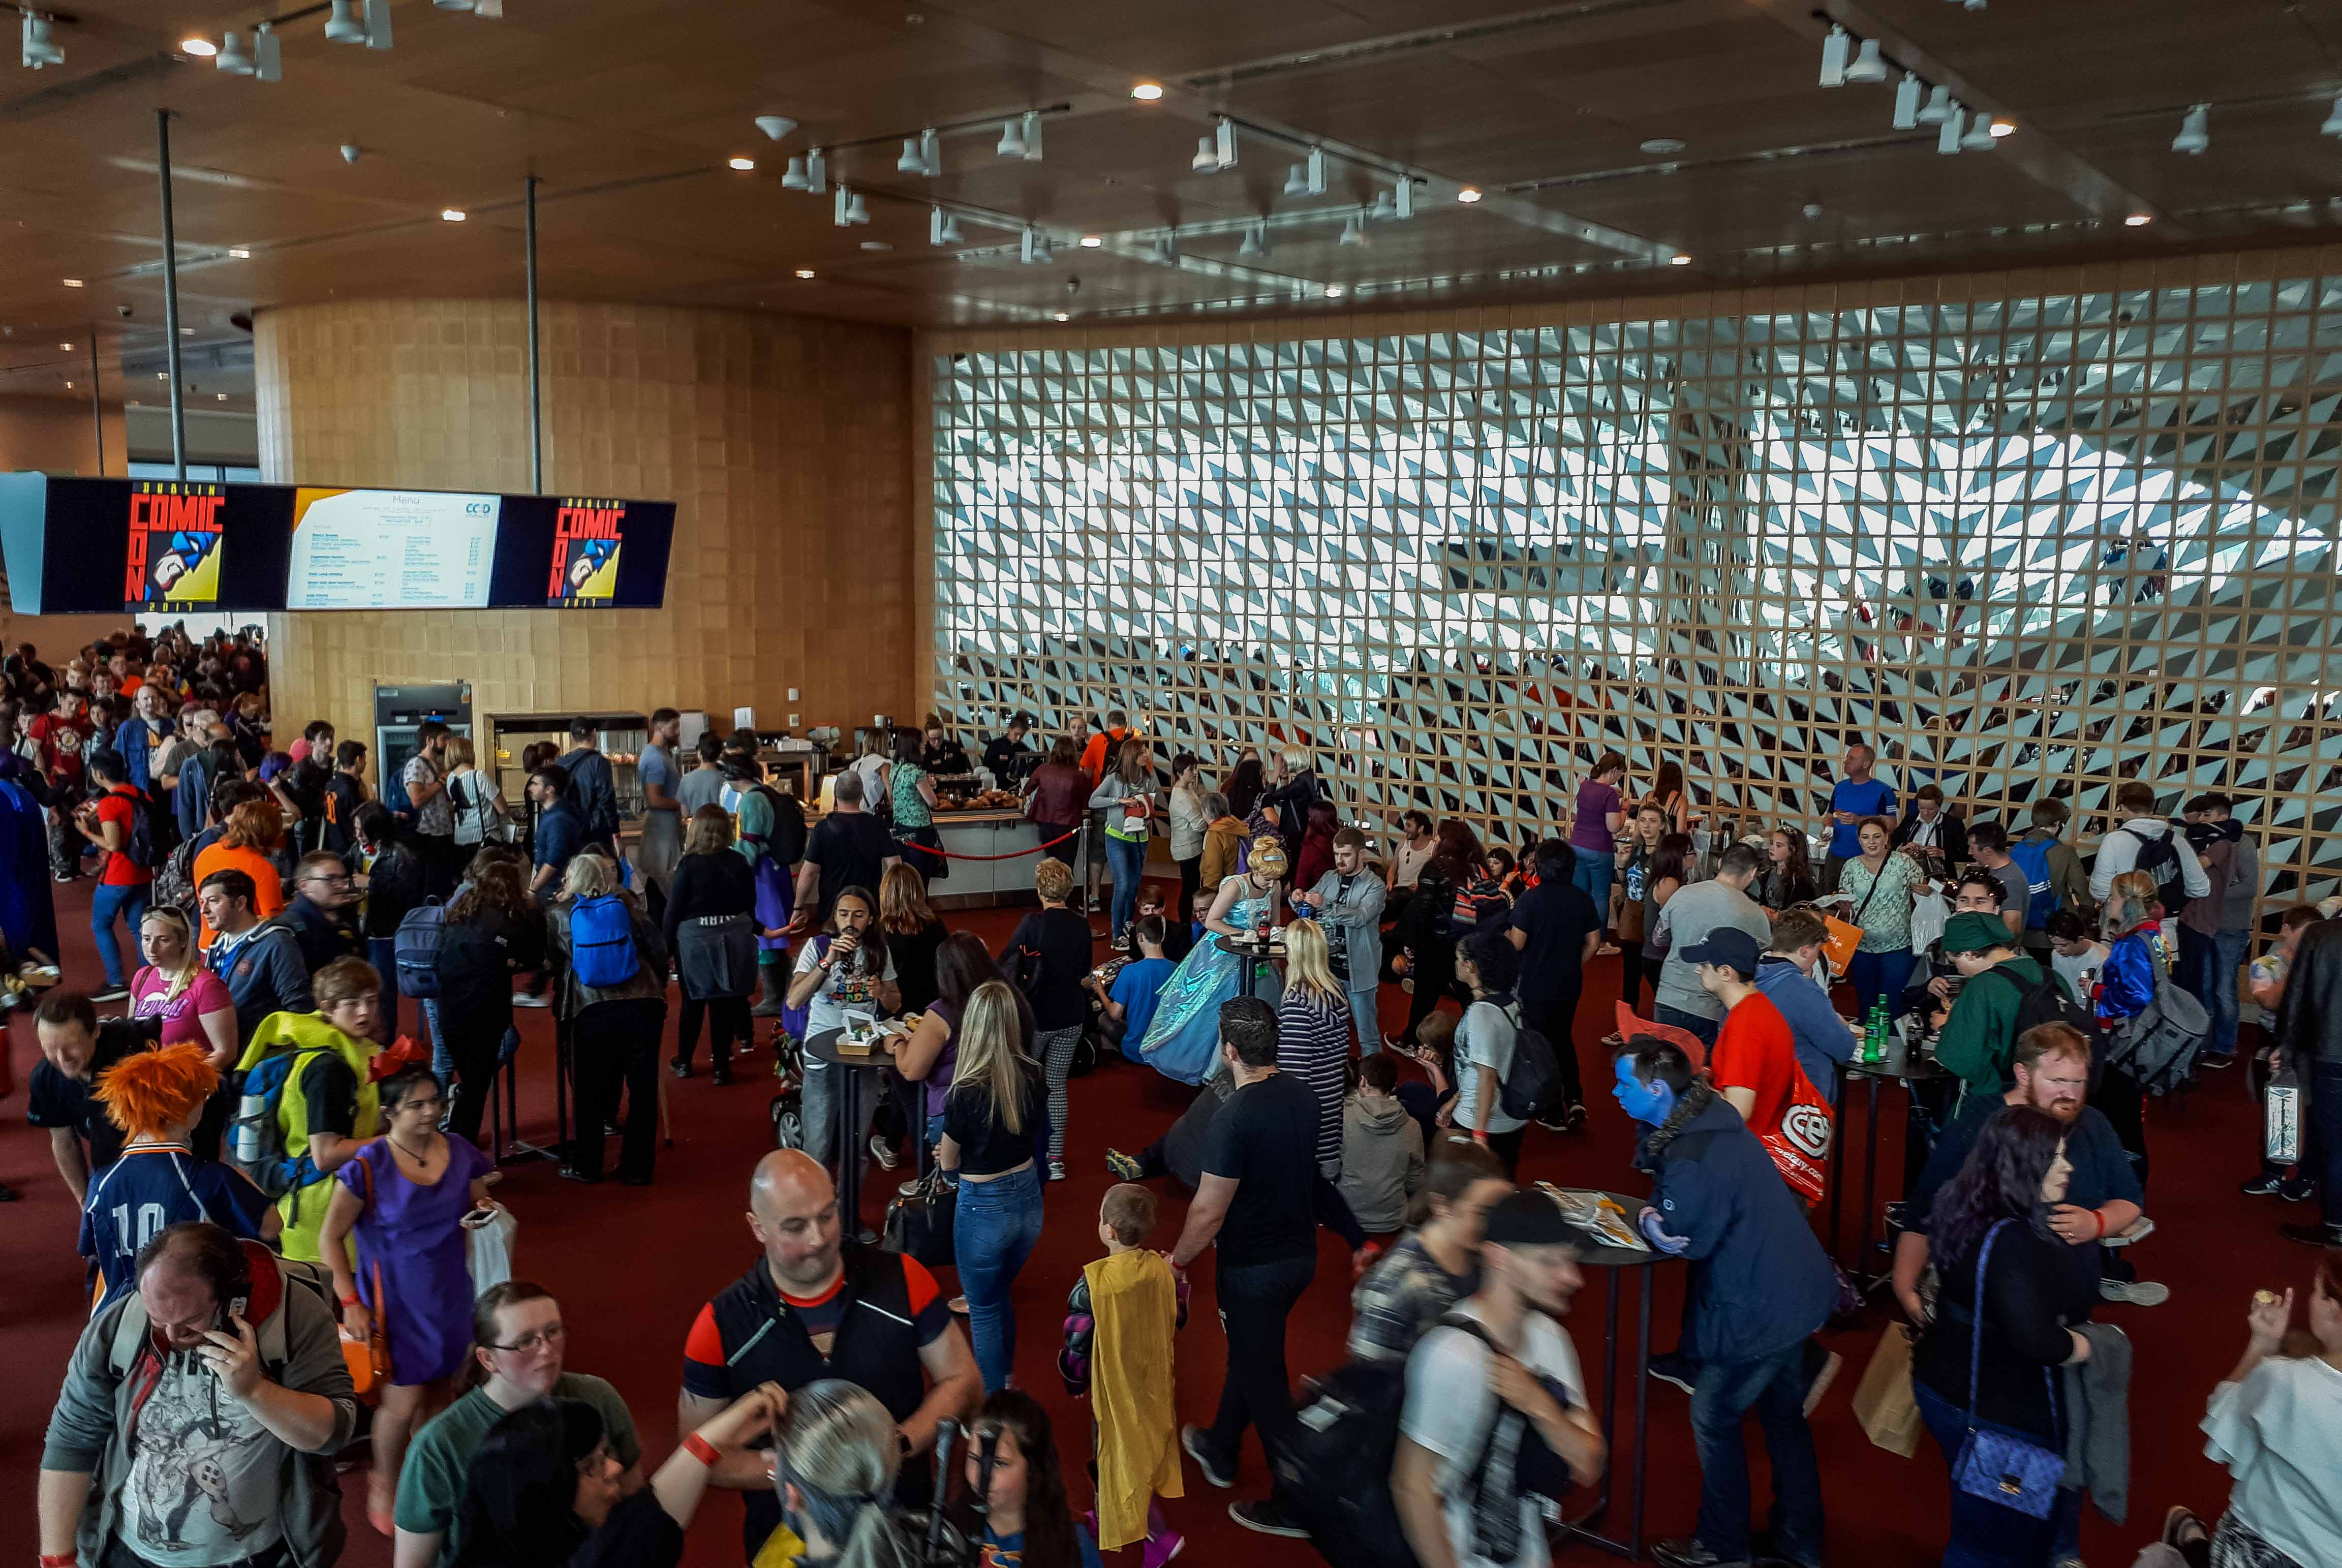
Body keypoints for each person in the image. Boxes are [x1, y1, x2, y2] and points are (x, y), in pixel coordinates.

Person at [679, 1151, 979, 1557]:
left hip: (902, 1532)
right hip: (789, 1543)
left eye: (826, 1216)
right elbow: (699, 1450)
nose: (818, 1239)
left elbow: (961, 1378)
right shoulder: (720, 1325)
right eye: (795, 1227)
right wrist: (796, 1472)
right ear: (757, 1226)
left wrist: (897, 1444)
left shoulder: (904, 1279)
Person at [1613, 1035, 1836, 1568]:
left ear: (1657, 1089)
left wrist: (1649, 1217)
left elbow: (1685, 1234)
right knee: (1782, 1417)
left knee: (1713, 1412)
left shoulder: (1692, 1155)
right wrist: (1661, 1208)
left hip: (1761, 1306)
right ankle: (1800, 1541)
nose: (1616, 1093)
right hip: (1797, 1291)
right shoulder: (1707, 1115)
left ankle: (1721, 1545)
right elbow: (1676, 1196)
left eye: (1624, 1083)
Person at [38, 1221, 359, 1568]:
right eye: (157, 1319)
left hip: (255, 1556)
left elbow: (331, 1435)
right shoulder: (119, 1326)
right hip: (130, 1554)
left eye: (190, 1321)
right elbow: (72, 1440)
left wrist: (255, 1391)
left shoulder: (295, 1318)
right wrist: (58, 1558)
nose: (171, 1336)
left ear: (234, 1299)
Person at [1910, 1106, 2100, 1568]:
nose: (2068, 1167)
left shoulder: (1962, 1202)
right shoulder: (2014, 1240)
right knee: (1991, 1545)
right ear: (2024, 1164)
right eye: (2055, 1158)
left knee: (1976, 1516)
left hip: (1941, 1383)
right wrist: (2086, 1346)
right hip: (1995, 1407)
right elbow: (2034, 1339)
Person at [320, 1065, 498, 1530]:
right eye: (415, 1105)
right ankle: (385, 1479)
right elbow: (330, 1238)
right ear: (390, 1112)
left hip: (452, 1292)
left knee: (441, 1394)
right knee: (401, 1403)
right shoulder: (368, 1165)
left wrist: (487, 1211)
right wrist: (350, 1301)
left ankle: (429, 1474)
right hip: (396, 1301)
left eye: (435, 1101)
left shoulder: (459, 1150)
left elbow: (480, 1205)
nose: (429, 1112)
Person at [1392, 1189, 1608, 1568]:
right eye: (1549, 1262)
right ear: (1499, 1258)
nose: (1573, 1277)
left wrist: (1539, 1405)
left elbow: (1589, 1465)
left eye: (1570, 1261)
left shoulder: (1550, 1337)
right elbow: (1412, 1487)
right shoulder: (1452, 1355)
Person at [1171, 997, 1319, 1538]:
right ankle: (1221, 1446)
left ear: (1230, 1050)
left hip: (1253, 1268)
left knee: (1267, 1384)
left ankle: (1299, 1502)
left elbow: (1208, 1211)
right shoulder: (1304, 1095)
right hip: (1301, 1257)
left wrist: (1177, 1260)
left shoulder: (1232, 1117)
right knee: (1252, 1353)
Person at [1896, 1022, 2156, 1324]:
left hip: (2066, 1300)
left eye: (2078, 1082)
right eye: (2057, 1081)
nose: (2070, 1094)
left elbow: (2130, 1198)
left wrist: (2097, 1222)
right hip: (1990, 1302)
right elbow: (1926, 1207)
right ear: (2023, 1075)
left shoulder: (2092, 1124)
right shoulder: (1982, 1124)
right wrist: (1905, 1288)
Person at [394, 1281, 645, 1568]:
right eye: (526, 1341)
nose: (547, 1350)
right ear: (488, 1359)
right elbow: (413, 1563)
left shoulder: (598, 1396)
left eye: (553, 1332)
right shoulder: (439, 1445)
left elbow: (634, 1499)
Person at [448, 1385, 779, 1568]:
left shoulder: (547, 1542)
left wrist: (708, 1442)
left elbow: (646, 1524)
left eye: (606, 1454)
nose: (615, 1469)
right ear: (546, 1494)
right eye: (591, 1467)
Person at [2148, 1265, 2342, 1568]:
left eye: (2317, 1293)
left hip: (2256, 1545)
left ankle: (2194, 1545)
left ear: (2333, 1308)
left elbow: (2224, 1428)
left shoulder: (2286, 1380)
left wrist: (2263, 1344)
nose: (2311, 1300)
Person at [80, 1042, 276, 1306]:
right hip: (188, 1315)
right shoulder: (213, 1177)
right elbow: (270, 1228)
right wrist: (247, 1181)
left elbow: (92, 1250)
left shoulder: (101, 1180)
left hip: (118, 1315)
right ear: (186, 1107)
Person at [1058, 1184, 1187, 1564]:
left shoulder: (1094, 1282)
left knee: (1118, 1456)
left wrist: (1074, 1379)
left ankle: (1158, 1534)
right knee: (1143, 1447)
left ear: (1109, 1230)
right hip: (1153, 1381)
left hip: (1114, 1386)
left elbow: (1078, 1338)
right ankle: (1107, 1511)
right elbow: (1179, 1315)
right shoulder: (1160, 1269)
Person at [231, 955, 383, 1262]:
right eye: (352, 1003)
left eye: (371, 1001)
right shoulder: (327, 1069)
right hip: (322, 1215)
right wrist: (394, 1143)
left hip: (314, 1205)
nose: (365, 1011)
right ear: (327, 1008)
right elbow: (326, 1155)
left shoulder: (321, 1049)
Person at [938, 980, 1049, 1392]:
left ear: (973, 1026)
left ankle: (995, 1400)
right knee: (999, 1293)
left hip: (984, 1205)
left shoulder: (965, 1090)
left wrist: (949, 1160)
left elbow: (949, 1162)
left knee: (984, 1309)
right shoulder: (1033, 1073)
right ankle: (1005, 1386)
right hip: (1029, 1197)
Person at [547, 851, 669, 1186]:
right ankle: (638, 1168)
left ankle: (587, 1165)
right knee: (642, 1089)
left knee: (589, 1090)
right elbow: (658, 949)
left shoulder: (559, 913)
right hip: (644, 1002)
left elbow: (552, 960)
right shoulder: (628, 904)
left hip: (591, 1007)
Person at [1136, 836, 1288, 1085]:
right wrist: (1243, 935)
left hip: (1256, 954)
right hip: (1222, 954)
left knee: (1264, 1003)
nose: (1272, 884)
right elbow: (1211, 921)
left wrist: (1272, 940)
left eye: (1275, 879)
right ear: (1255, 870)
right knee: (1210, 1009)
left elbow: (1275, 920)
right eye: (1267, 878)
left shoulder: (1275, 885)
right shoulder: (1235, 886)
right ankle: (1215, 1071)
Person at [1348, 1142, 1510, 1365]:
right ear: (1441, 1205)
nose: (1495, 1225)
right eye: (1482, 1213)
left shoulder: (1480, 1256)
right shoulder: (1398, 1284)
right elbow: (1369, 1374)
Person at [788, 885, 900, 1175]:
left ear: (871, 919)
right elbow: (794, 1000)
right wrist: (827, 962)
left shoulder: (879, 951)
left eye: (859, 915)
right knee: (818, 1143)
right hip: (821, 1054)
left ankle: (847, 1202)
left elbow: (895, 1002)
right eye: (844, 914)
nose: (850, 921)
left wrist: (881, 994)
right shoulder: (817, 947)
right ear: (835, 917)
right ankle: (816, 1202)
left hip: (861, 1053)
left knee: (855, 1144)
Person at [998, 856, 1092, 1178]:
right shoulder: (1082, 924)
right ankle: (1055, 1158)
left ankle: (1018, 1149)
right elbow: (1084, 971)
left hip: (1036, 1016)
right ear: (1069, 888)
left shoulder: (1032, 924)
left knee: (1022, 1082)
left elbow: (1006, 964)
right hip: (1072, 1015)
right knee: (1057, 1086)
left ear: (1040, 890)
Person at [1929, 910, 2079, 1101]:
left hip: (2005, 1097)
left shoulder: (1982, 986)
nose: (1959, 969)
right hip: (2057, 1090)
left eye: (1955, 962)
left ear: (1969, 954)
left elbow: (1963, 1059)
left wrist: (1945, 1027)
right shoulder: (2051, 976)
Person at [1503, 838, 1600, 1128]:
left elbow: (1517, 943)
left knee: (1539, 1046)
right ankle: (1575, 1098)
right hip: (1569, 983)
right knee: (1563, 1039)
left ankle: (1551, 1109)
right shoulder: (1582, 898)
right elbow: (1594, 944)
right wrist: (1574, 963)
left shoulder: (1530, 899)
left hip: (1535, 984)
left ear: (1539, 867)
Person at [664, 804, 760, 1083]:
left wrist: (666, 948)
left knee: (693, 1002)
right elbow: (750, 904)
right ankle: (721, 1068)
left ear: (696, 830)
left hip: (696, 940)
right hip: (734, 937)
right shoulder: (739, 862)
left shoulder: (689, 865)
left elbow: (673, 912)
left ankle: (684, 1061)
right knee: (725, 1003)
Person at [957, 1390, 1105, 1568]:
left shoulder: (1072, 1545)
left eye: (999, 1463)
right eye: (974, 1459)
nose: (983, 1475)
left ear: (1033, 1468)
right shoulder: (951, 1534)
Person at [1651, 840, 1772, 1049]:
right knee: (1702, 1067)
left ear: (1720, 863)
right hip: (1710, 1007)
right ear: (1752, 873)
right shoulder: (1755, 913)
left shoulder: (1683, 893)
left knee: (1663, 1063)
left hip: (1669, 995)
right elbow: (1763, 961)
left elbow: (1658, 939)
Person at [2268, 917, 2342, 1247]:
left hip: (2331, 1049)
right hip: (2330, 1049)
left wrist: (2285, 1046)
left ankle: (2336, 1224)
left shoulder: (2322, 933)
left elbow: (2296, 994)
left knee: (2335, 1142)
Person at [2177, 791, 2257, 1067]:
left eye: (2207, 815)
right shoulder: (2198, 840)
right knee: (2204, 986)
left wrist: (2210, 894)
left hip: (2230, 925)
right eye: (2200, 815)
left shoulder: (2241, 843)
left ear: (2223, 816)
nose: (2202, 820)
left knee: (2224, 989)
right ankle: (2203, 1043)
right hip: (2201, 923)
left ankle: (2224, 1047)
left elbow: (2250, 887)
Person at [1293, 824, 1389, 1052]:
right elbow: (1306, 909)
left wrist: (1325, 905)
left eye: (1346, 855)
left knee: (1367, 1036)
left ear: (1361, 854)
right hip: (1325, 968)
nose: (1339, 861)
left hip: (1358, 967)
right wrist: (1298, 899)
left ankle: (1373, 1073)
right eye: (1336, 854)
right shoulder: (1329, 877)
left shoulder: (1375, 885)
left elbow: (1360, 918)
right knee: (1324, 1030)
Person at [1274, 918, 1353, 1180]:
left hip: (1309, 1120)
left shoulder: (1297, 1002)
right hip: (1332, 1105)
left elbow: (1294, 1077)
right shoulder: (1335, 992)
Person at [1445, 929, 1528, 1177]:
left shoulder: (1481, 1014)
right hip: (1509, 1116)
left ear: (1470, 966)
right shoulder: (1511, 1003)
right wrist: (1455, 1100)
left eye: (1459, 959)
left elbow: (1487, 1076)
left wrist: (1479, 1135)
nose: (1456, 964)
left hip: (1480, 1120)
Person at [197, 867, 315, 1039]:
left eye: (213, 901)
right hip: (222, 1041)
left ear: (240, 903)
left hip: (257, 1047)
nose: (204, 910)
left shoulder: (277, 943)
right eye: (202, 902)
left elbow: (298, 1007)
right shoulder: (218, 943)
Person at [75, 747, 153, 1001]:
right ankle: (149, 980)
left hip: (118, 874)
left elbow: (113, 844)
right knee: (139, 928)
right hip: (143, 870)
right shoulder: (142, 795)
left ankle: (116, 981)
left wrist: (86, 832)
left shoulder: (110, 803)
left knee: (101, 924)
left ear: (99, 775)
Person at [1754, 907, 1854, 1104]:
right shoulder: (1804, 991)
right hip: (1800, 1092)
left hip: (1762, 1083)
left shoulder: (1751, 976)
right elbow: (1843, 1048)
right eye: (1818, 950)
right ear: (1805, 951)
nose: (1818, 956)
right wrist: (1843, 1027)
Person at [1830, 817, 1926, 1018]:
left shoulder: (1903, 863)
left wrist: (1926, 890)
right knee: (1866, 1004)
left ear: (1886, 838)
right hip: (1862, 946)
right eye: (1866, 837)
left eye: (1877, 836)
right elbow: (1846, 907)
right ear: (1859, 840)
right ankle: (1869, 1039)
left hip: (1898, 947)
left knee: (1894, 1005)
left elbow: (1925, 890)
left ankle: (1894, 1039)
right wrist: (1842, 905)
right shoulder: (1851, 866)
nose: (1872, 842)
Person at [130, 905, 239, 1075]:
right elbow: (131, 1033)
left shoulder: (207, 986)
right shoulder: (142, 977)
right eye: (146, 939)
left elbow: (225, 1052)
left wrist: (182, 1082)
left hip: (191, 1082)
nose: (152, 948)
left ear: (183, 941)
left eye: (163, 940)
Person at [355, 801, 428, 1036]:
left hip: (387, 933)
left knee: (382, 993)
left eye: (361, 830)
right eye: (355, 829)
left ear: (376, 830)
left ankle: (386, 1042)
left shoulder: (401, 855)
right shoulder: (357, 849)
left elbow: (410, 897)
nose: (357, 835)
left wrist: (372, 884)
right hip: (362, 928)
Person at [794, 768, 899, 930]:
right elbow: (895, 867)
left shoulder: (823, 828)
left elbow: (809, 872)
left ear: (835, 795)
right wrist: (894, 903)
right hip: (869, 906)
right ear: (861, 795)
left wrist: (798, 906)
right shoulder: (878, 825)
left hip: (833, 907)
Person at [1336, 1053, 1428, 1235]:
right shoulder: (1412, 1126)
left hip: (1347, 1215)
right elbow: (1415, 1181)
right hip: (1393, 1218)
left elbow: (1330, 1170)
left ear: (1363, 1081)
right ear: (1394, 1086)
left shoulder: (1342, 1120)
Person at [2089, 782, 2212, 914]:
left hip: (2126, 917)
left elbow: (2100, 891)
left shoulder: (2114, 840)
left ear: (2123, 807)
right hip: (2167, 919)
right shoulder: (2178, 841)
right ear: (2152, 807)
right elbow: (2201, 889)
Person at [1088, 735, 1158, 948]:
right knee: (1123, 884)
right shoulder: (1114, 779)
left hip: (1140, 837)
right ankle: (1117, 933)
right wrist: (1118, 800)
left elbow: (1154, 800)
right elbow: (1093, 800)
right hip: (1117, 837)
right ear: (1132, 756)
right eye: (1143, 752)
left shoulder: (1148, 777)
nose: (1147, 755)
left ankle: (1128, 921)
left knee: (1135, 884)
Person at [193, 797, 288, 949]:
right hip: (246, 949)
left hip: (208, 944)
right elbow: (273, 920)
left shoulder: (206, 854)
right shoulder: (262, 868)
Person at [2012, 797, 2091, 964]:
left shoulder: (2014, 852)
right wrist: (2082, 920)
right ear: (2058, 824)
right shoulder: (2065, 853)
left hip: (2020, 933)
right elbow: (2083, 895)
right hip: (2056, 935)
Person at [1087, 912, 1174, 1058]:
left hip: (1136, 1049)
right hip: (1165, 1049)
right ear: (1162, 936)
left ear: (1140, 937)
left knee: (1104, 1018)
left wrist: (1100, 991)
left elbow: (1115, 1014)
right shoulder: (1177, 969)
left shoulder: (1130, 971)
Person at [1612, 803, 1669, 1016]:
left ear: (1662, 825)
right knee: (1630, 975)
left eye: (1653, 821)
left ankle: (1665, 1019)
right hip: (1633, 917)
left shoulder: (1665, 855)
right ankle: (1629, 1020)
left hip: (1654, 920)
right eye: (1642, 820)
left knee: (1655, 973)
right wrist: (1621, 864)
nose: (1646, 826)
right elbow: (1625, 883)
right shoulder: (1636, 849)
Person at [1821, 741, 1896, 893]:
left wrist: (1859, 821)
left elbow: (1891, 824)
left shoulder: (1883, 792)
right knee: (1830, 898)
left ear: (1866, 764)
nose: (1846, 762)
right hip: (1836, 855)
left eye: (1852, 759)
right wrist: (1828, 827)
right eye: (1847, 758)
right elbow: (1830, 815)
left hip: (1866, 857)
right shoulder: (1840, 787)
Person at [632, 709, 685, 910]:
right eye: (674, 727)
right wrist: (683, 804)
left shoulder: (662, 753)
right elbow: (654, 799)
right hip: (662, 830)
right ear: (660, 728)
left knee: (659, 886)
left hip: (665, 827)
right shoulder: (655, 758)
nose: (678, 731)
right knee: (666, 882)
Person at [1568, 750, 1628, 924]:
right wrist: (1624, 809)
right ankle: (1598, 938)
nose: (1620, 777)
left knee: (1580, 893)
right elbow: (1613, 826)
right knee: (1600, 896)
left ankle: (1578, 933)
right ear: (1614, 770)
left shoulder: (1585, 786)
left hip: (1576, 845)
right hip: (1599, 849)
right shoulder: (1609, 794)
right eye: (1620, 773)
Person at [283, 847, 362, 973]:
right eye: (331, 879)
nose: (344, 887)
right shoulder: (290, 932)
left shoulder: (344, 918)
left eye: (344, 879)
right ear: (305, 886)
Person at [403, 720, 459, 896]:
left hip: (442, 833)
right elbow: (417, 800)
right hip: (427, 835)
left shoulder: (436, 764)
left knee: (444, 885)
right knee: (431, 886)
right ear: (429, 741)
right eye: (444, 739)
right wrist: (440, 783)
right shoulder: (416, 764)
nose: (447, 743)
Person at [886, 726, 946, 885]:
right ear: (914, 746)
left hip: (900, 827)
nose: (924, 747)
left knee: (907, 877)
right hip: (919, 831)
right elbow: (932, 802)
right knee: (921, 878)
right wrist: (931, 785)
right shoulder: (916, 772)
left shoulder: (895, 768)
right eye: (922, 744)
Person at [1023, 734, 1091, 869]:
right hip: (1069, 825)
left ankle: (1050, 883)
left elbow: (1027, 790)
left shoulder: (1043, 769)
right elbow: (1086, 802)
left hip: (1045, 823)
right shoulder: (1078, 776)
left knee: (1051, 865)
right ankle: (1065, 884)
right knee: (1066, 866)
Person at [556, 717, 621, 853]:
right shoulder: (599, 762)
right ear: (594, 733)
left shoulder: (561, 763)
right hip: (596, 833)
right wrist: (615, 832)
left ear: (572, 738)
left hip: (569, 830)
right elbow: (607, 800)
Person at [445, 734, 513, 856]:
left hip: (461, 840)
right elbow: (503, 809)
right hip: (485, 839)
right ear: (469, 752)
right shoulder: (479, 777)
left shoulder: (450, 779)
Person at [526, 765, 586, 905]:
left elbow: (553, 861)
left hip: (555, 891)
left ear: (550, 790)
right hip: (552, 889)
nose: (530, 788)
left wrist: (532, 891)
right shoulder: (553, 814)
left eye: (535, 784)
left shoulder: (558, 819)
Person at [1890, 784, 1969, 878]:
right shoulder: (1911, 819)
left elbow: (1964, 852)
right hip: (1909, 871)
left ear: (1939, 806)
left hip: (1940, 875)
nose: (1925, 813)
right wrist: (1902, 848)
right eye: (1922, 808)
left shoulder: (1953, 824)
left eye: (1930, 809)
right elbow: (1893, 841)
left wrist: (1943, 853)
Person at [1165, 751, 1210, 914]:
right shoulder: (1181, 797)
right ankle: (1184, 922)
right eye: (1191, 769)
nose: (1195, 772)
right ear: (1180, 773)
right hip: (1187, 848)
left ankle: (1191, 917)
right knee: (1189, 887)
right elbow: (1199, 825)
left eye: (1195, 768)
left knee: (1193, 885)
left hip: (1193, 845)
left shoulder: (1188, 788)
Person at [2045, 909, 2109, 1001]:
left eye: (2064, 945)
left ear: (2080, 939)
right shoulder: (2056, 955)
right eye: (2054, 944)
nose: (2058, 949)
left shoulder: (2101, 958)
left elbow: (2104, 994)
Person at [1753, 826, 1818, 912]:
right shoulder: (1767, 875)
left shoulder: (1800, 880)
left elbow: (1800, 912)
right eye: (1771, 843)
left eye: (1778, 846)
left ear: (1792, 850)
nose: (1772, 848)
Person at [324, 739, 371, 857]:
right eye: (364, 759)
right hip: (351, 851)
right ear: (358, 760)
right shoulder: (351, 791)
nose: (366, 763)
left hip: (334, 849)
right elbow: (361, 824)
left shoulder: (331, 786)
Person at [1197, 789, 1249, 891]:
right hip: (1240, 880)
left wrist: (1209, 892)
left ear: (1207, 811)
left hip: (1224, 886)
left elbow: (1213, 869)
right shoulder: (1235, 825)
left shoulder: (1215, 834)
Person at [677, 729, 728, 817]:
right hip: (719, 824)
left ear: (700, 752)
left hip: (695, 823)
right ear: (720, 755)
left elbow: (684, 813)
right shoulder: (725, 780)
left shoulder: (686, 779)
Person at [1080, 709, 1135, 787]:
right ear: (1126, 725)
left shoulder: (1097, 739)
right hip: (1127, 790)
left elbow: (1087, 770)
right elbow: (1147, 770)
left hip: (1102, 788)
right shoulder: (1135, 741)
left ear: (1108, 724)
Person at [982, 712, 1035, 785]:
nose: (1018, 738)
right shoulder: (995, 746)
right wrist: (1003, 775)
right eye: (1016, 734)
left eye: (1022, 736)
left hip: (1016, 787)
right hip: (996, 786)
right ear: (1010, 729)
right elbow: (986, 768)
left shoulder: (1024, 749)